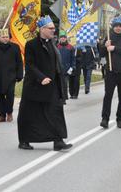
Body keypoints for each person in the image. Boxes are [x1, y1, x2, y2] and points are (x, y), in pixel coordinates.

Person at [17, 15, 72, 151]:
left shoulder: (52, 44)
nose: (54, 31)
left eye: (54, 28)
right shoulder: (31, 45)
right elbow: (30, 65)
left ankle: (58, 141)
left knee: (55, 112)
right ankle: (24, 140)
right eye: (51, 28)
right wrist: (41, 77)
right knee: (29, 114)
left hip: (51, 85)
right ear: (42, 29)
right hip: (34, 86)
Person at [99, 16, 121, 129]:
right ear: (113, 27)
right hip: (111, 72)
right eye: (116, 26)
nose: (118, 28)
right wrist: (104, 46)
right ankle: (105, 119)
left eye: (120, 26)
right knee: (108, 96)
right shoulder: (109, 37)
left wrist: (114, 48)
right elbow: (102, 53)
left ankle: (120, 119)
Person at [57, 30, 75, 100]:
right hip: (58, 68)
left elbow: (73, 59)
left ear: (66, 38)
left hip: (67, 69)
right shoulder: (57, 47)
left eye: (64, 37)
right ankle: (60, 97)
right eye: (61, 37)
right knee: (59, 84)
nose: (63, 38)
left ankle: (64, 98)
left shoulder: (70, 47)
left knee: (64, 84)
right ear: (59, 38)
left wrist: (72, 67)